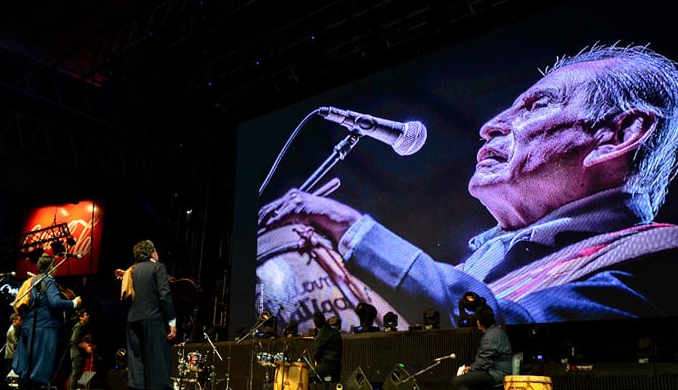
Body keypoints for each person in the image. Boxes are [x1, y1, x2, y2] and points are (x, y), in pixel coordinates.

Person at [258, 43, 678, 328]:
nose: (489, 126)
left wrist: (354, 232)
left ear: (618, 134)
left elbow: (506, 329)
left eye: (539, 105)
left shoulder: (650, 264)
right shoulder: (479, 264)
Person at [12, 253, 81, 390]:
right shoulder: (48, 281)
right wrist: (74, 303)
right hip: (45, 327)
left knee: (29, 362)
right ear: (52, 268)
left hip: (29, 327)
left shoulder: (31, 281)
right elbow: (55, 302)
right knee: (43, 362)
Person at [123, 239, 179, 390]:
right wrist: (172, 322)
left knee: (137, 361)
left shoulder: (131, 270)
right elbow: (165, 295)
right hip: (153, 319)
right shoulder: (158, 268)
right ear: (152, 252)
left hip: (133, 319)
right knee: (159, 361)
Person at [447, 304, 512, 390]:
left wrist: (470, 368)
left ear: (479, 322)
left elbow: (484, 362)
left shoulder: (491, 337)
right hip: (496, 370)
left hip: (496, 374)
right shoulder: (496, 332)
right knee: (465, 378)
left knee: (459, 380)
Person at [309, 311, 343, 390]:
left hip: (327, 366)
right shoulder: (335, 333)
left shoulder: (323, 333)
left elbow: (317, 351)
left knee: (306, 376)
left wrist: (316, 359)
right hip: (336, 367)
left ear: (315, 324)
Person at [67, 309, 93, 390]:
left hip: (78, 354)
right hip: (76, 354)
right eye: (86, 315)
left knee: (76, 375)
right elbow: (74, 340)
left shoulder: (82, 327)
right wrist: (86, 346)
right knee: (75, 374)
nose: (88, 316)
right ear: (81, 317)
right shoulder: (79, 326)